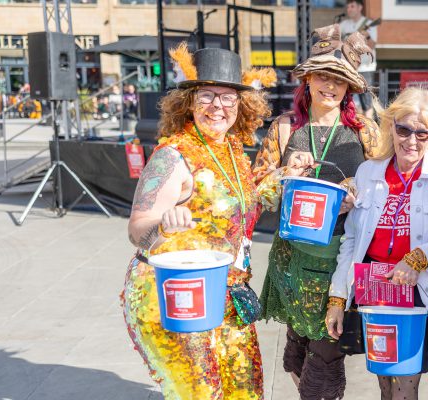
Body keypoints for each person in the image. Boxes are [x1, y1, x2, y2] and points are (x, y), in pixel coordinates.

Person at [122, 43, 279, 399]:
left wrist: (283, 178)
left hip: (227, 293)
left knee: (246, 390)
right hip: (174, 294)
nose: (217, 106)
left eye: (228, 98)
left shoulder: (234, 151)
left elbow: (241, 204)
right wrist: (163, 224)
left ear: (241, 105)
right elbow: (136, 230)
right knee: (202, 393)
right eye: (207, 96)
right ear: (188, 102)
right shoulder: (172, 156)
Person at [252, 24, 380, 400]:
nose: (330, 85)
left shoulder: (366, 132)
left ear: (349, 88)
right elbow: (256, 188)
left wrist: (358, 192)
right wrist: (283, 174)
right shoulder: (284, 128)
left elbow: (386, 189)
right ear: (307, 79)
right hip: (292, 260)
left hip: (339, 260)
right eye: (323, 75)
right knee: (296, 357)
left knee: (323, 368)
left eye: (339, 79)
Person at [326, 87, 428, 399]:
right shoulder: (368, 172)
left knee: (405, 385)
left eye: (422, 133)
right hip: (374, 290)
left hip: (420, 294)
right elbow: (352, 241)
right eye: (404, 129)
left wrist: (417, 258)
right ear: (390, 126)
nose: (411, 140)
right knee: (385, 380)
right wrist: (338, 298)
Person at [338, 0, 377, 118]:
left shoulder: (369, 23)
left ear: (360, 7)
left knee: (366, 100)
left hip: (365, 67)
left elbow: (372, 45)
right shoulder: (344, 25)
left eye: (352, 6)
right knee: (345, 98)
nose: (349, 9)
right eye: (348, 7)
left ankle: (368, 129)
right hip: (349, 66)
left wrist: (367, 36)